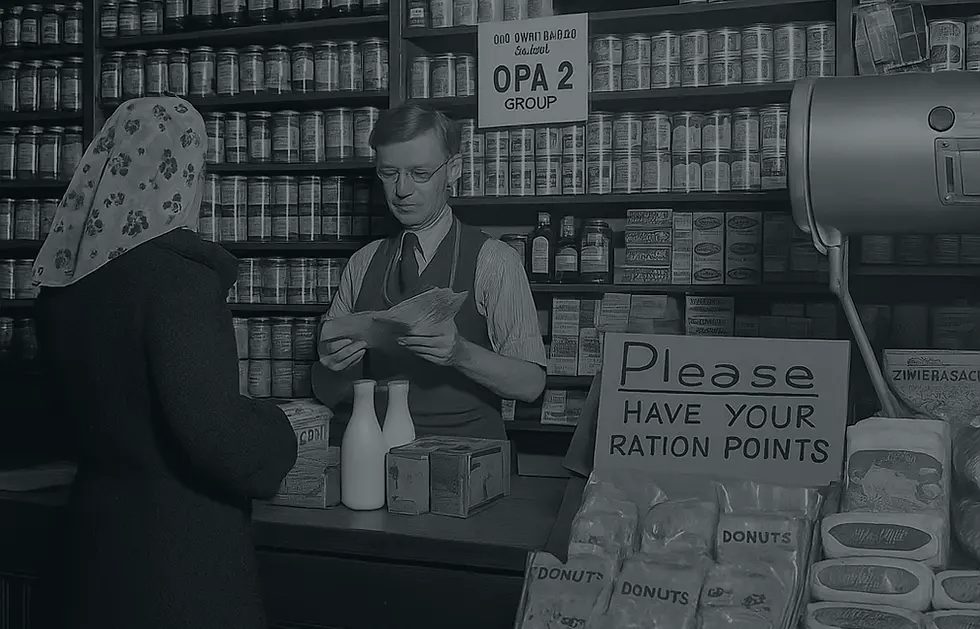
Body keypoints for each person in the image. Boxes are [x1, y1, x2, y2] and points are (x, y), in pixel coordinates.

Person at [30, 97, 298, 629]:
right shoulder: (178, 283)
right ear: (181, 173)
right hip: (176, 567)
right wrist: (280, 431)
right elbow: (216, 434)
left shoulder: (61, 287)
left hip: (93, 555)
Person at [312, 104, 547, 440]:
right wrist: (332, 367)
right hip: (375, 451)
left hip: (464, 452)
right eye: (389, 173)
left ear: (453, 170)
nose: (402, 189)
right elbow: (327, 391)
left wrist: (461, 353)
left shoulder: (494, 260)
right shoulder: (363, 262)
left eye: (419, 173)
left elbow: (531, 385)